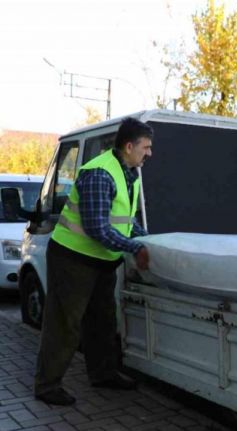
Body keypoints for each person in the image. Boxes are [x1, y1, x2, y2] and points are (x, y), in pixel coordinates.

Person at [34, 117, 153, 406]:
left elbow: (124, 220)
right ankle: (47, 386)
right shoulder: (100, 173)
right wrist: (135, 248)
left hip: (102, 261)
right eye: (146, 147)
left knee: (103, 320)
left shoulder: (130, 173)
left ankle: (103, 373)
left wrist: (148, 239)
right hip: (73, 260)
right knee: (65, 323)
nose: (150, 153)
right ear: (129, 147)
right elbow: (97, 228)